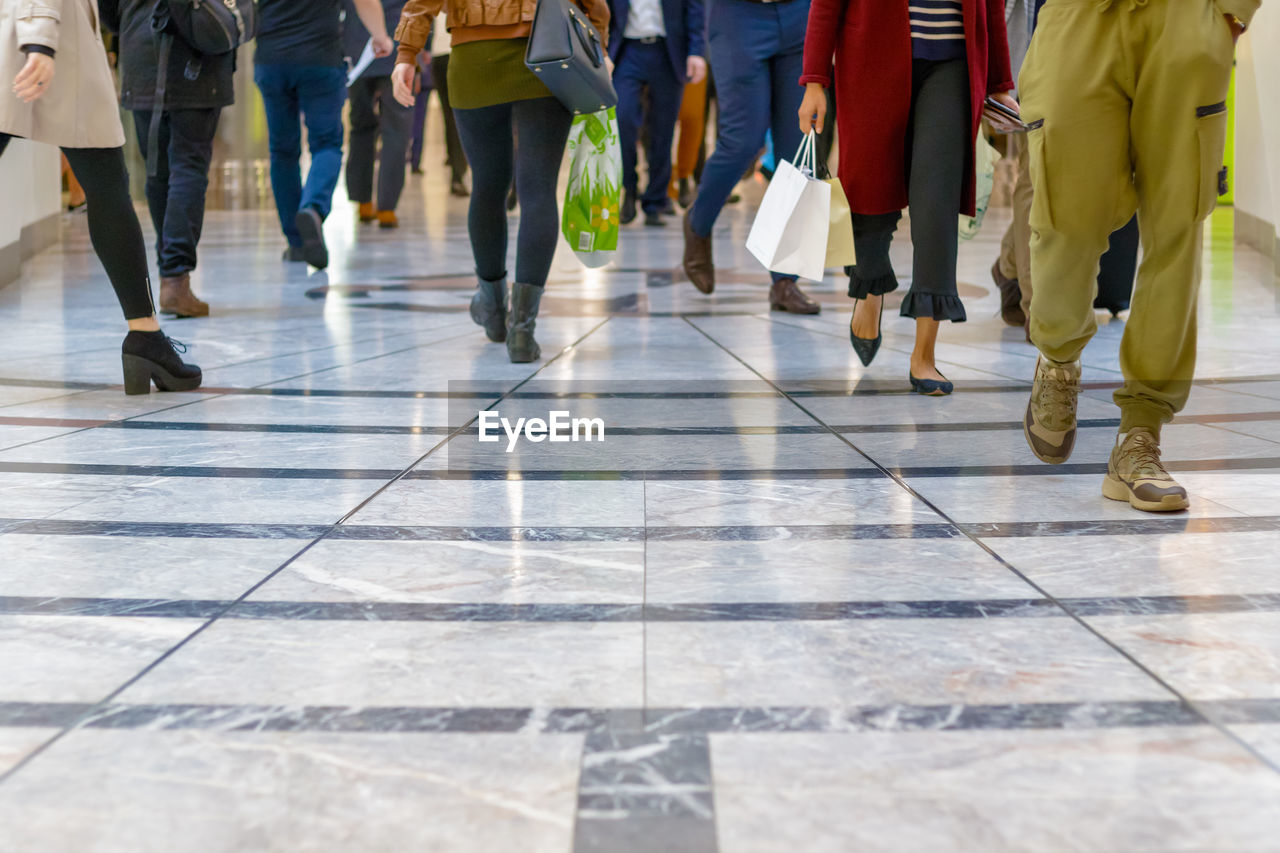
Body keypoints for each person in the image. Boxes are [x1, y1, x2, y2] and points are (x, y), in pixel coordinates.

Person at [1019, 0, 1256, 512]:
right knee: (1067, 218)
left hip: (1186, 18)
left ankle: (1139, 435)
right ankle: (1058, 358)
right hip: (1077, 19)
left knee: (1177, 230)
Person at [799, 0, 1018, 394]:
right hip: (870, 56)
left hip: (952, 64)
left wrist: (1000, 83)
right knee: (869, 191)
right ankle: (869, 289)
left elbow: (992, 6)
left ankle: (925, 356)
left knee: (937, 203)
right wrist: (815, 80)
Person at [391, 0, 610, 363]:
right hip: (548, 50)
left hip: (473, 58)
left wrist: (406, 53)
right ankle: (523, 330)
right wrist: (598, 43)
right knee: (538, 189)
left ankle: (493, 310)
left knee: (488, 187)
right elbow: (595, 5)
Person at [1, 0, 200, 395]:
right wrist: (40, 42)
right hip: (45, 44)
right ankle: (146, 337)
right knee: (109, 185)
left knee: (108, 184)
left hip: (42, 38)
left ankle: (147, 336)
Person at [681, 0, 821, 315]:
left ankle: (785, 281)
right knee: (741, 142)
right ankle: (698, 222)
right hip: (738, 15)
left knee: (796, 155)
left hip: (800, 13)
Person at [99, 0, 237, 319]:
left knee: (157, 171)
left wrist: (133, 22)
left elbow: (106, 8)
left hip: (141, 54)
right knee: (188, 168)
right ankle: (175, 278)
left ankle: (171, 276)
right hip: (197, 57)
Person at [255, 0, 392, 269]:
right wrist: (381, 36)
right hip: (320, 58)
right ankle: (313, 208)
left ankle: (296, 243)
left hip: (271, 58)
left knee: (283, 151)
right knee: (327, 144)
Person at [607, 0, 706, 227]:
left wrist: (697, 52)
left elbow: (695, 9)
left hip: (668, 51)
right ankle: (629, 189)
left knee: (663, 129)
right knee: (623, 119)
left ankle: (655, 200)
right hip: (625, 51)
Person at [344, 0, 412, 229]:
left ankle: (362, 201)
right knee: (396, 128)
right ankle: (387, 207)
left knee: (361, 125)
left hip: (357, 48)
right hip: (398, 48)